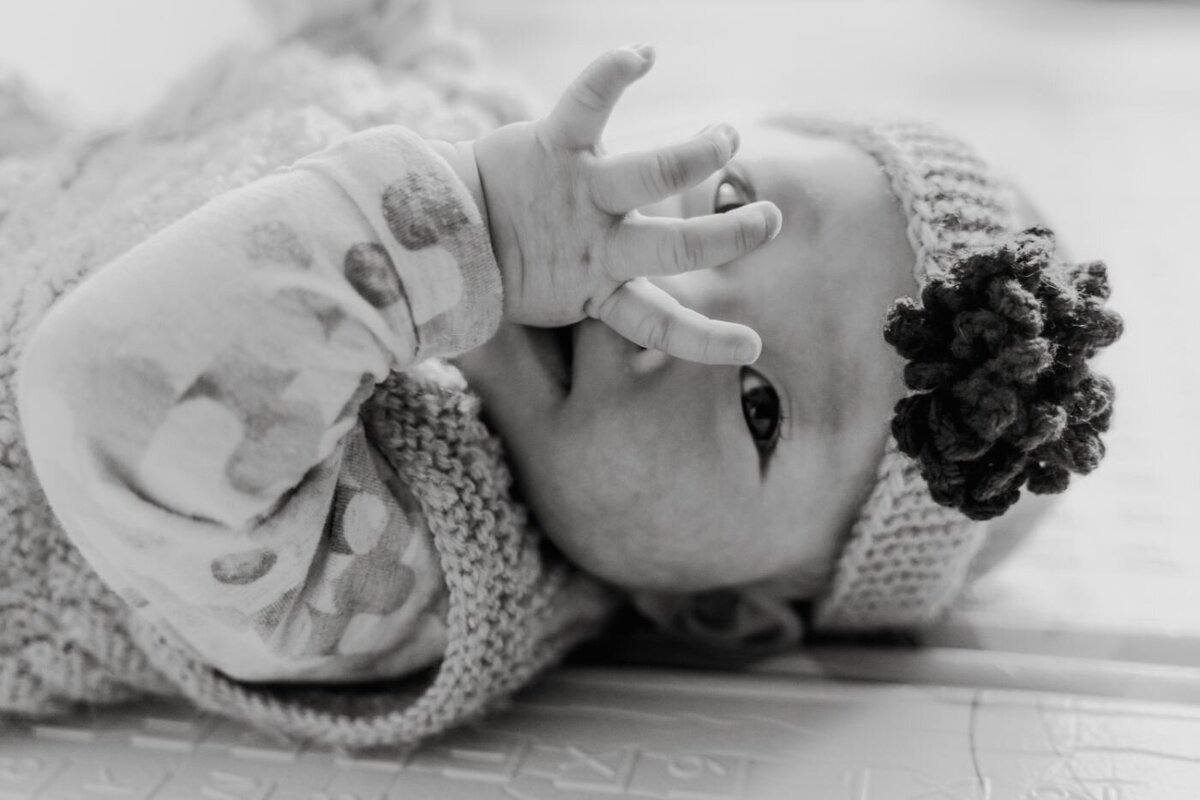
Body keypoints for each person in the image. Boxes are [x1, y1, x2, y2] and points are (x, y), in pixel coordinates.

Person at [11, 41, 1121, 747]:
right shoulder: (517, 151)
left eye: (760, 405)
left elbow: (104, 392)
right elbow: (363, 35)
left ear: (717, 609)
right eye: (728, 210)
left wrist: (473, 230)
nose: (670, 294)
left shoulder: (416, 566)